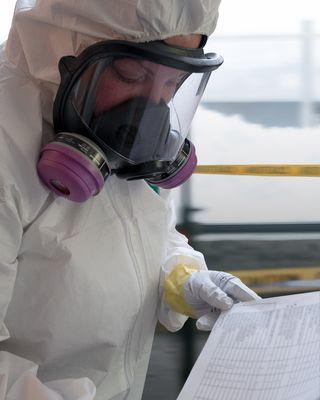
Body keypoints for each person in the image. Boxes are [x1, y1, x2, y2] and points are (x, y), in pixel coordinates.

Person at [0, 1, 260, 399]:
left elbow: (137, 227)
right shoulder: (7, 145)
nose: (152, 107)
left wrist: (181, 276)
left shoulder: (101, 130)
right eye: (131, 73)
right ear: (62, 48)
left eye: (174, 82)